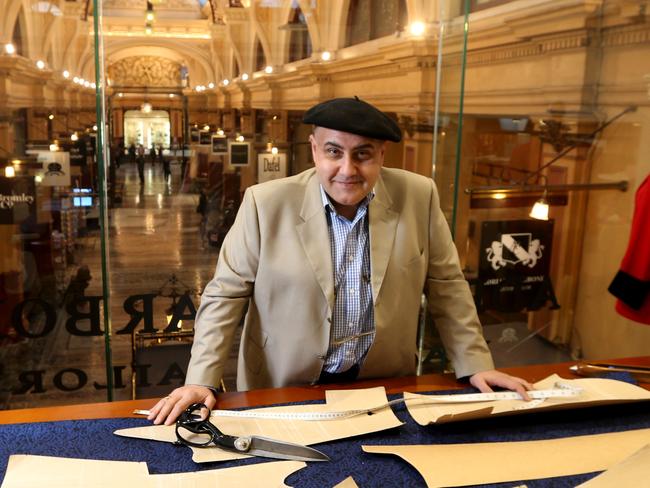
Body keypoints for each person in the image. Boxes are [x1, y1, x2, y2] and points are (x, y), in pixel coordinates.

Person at [149, 97, 533, 425]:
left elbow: (447, 286)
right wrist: (201, 379)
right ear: (315, 149)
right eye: (334, 152)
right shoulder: (265, 204)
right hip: (283, 383)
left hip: (383, 384)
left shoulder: (419, 195)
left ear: (382, 155)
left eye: (363, 154)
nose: (347, 170)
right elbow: (225, 296)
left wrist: (476, 363)